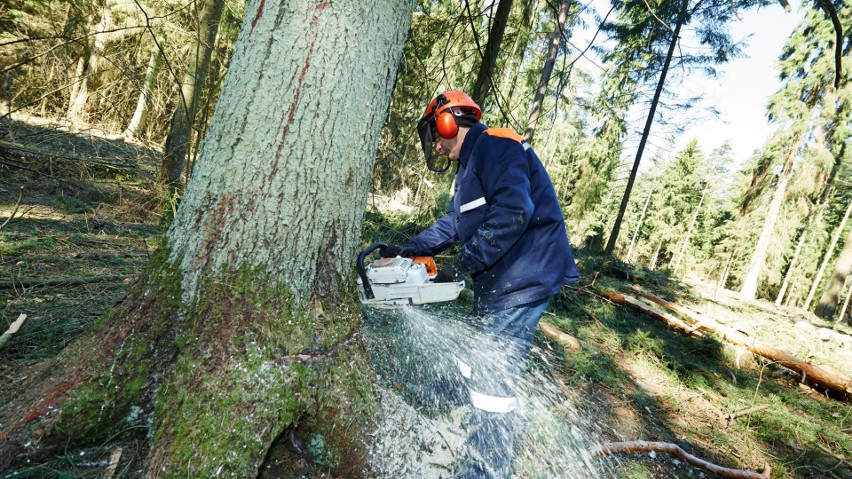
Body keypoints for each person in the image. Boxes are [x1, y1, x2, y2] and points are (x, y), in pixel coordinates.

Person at [380, 90, 580, 478]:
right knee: (476, 360)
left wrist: (462, 265)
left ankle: (485, 469)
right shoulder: (469, 170)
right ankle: (460, 415)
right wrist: (409, 248)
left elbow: (515, 210)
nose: (435, 146)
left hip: (524, 278)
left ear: (448, 121)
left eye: (434, 135)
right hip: (501, 282)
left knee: (493, 382)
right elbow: (454, 224)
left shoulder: (495, 145)